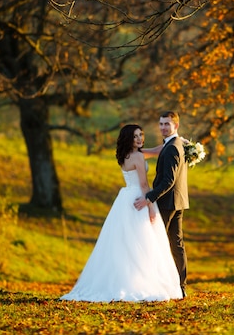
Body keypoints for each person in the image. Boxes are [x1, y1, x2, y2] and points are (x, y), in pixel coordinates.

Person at [60, 124, 183, 302]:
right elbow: (143, 185)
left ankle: (126, 280)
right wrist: (149, 204)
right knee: (143, 242)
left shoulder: (126, 155)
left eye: (141, 134)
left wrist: (178, 142)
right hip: (140, 198)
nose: (140, 138)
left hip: (126, 198)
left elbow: (156, 150)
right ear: (129, 139)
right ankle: (141, 282)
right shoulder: (139, 157)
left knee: (125, 243)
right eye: (135, 136)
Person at [134, 111, 189, 298]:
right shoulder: (177, 143)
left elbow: (168, 180)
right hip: (178, 201)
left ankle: (161, 286)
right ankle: (180, 287)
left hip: (167, 202)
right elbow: (159, 150)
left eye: (167, 124)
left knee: (158, 243)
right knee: (176, 244)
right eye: (161, 124)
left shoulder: (173, 147)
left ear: (176, 126)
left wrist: (149, 197)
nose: (163, 127)